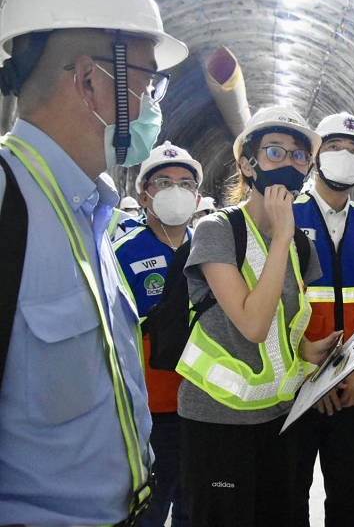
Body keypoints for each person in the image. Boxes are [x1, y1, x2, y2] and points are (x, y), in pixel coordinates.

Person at [0, 0, 187, 523]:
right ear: (87, 81)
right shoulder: (9, 208)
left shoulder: (92, 216)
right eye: (149, 84)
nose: (155, 106)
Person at [175, 107, 337, 526]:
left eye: (299, 157)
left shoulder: (300, 246)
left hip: (279, 419)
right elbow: (252, 325)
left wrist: (308, 349)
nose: (288, 163)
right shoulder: (218, 230)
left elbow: (280, 326)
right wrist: (282, 235)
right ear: (248, 164)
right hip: (218, 422)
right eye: (274, 152)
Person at [283, 111, 354, 527]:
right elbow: (272, 306)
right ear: (315, 157)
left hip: (352, 384)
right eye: (334, 148)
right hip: (292, 386)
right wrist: (308, 377)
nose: (344, 157)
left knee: (350, 489)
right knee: (289, 490)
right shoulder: (285, 215)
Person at [113, 142, 203, 526]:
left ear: (198, 198)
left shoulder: (212, 248)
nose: (175, 191)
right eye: (164, 182)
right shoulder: (122, 254)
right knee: (148, 511)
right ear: (143, 194)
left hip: (202, 407)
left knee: (195, 508)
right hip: (148, 416)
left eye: (185, 184)